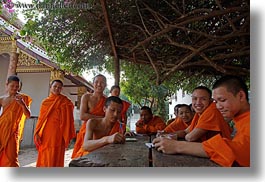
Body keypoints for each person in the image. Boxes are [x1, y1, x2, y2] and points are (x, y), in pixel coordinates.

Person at [153, 75, 250, 167]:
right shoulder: (200, 114)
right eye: (216, 102)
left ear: (241, 96)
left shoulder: (213, 110)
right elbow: (186, 131)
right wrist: (170, 136)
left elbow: (235, 149)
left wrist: (177, 146)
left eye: (222, 100)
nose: (218, 106)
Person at [34, 79, 76, 167]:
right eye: (55, 86)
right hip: (47, 133)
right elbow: (41, 119)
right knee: (46, 154)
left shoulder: (65, 102)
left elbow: (69, 117)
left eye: (59, 87)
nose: (57, 89)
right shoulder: (45, 102)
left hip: (60, 133)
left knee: (57, 154)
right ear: (50, 87)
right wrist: (37, 132)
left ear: (61, 89)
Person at [167, 86, 232, 142]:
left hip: (221, 150)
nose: (198, 102)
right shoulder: (199, 113)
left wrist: (185, 136)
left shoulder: (212, 110)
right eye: (195, 99)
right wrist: (168, 135)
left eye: (203, 99)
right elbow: (185, 132)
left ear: (210, 100)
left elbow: (191, 137)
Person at [72, 74, 107, 159]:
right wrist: (102, 119)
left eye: (102, 82)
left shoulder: (106, 100)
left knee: (97, 158)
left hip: (100, 132)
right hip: (86, 130)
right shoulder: (86, 97)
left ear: (105, 85)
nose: (99, 84)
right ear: (93, 83)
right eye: (97, 82)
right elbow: (82, 116)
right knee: (82, 157)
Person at [0, 75, 31, 167]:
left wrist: (22, 104)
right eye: (12, 86)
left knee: (11, 158)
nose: (15, 88)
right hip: (1, 129)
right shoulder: (1, 99)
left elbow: (28, 115)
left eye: (17, 86)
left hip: (13, 132)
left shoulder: (23, 98)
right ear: (7, 85)